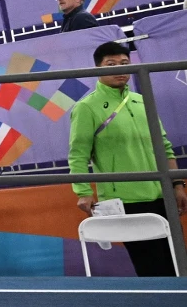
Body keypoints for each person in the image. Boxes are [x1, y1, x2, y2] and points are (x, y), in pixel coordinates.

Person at [69, 42, 186, 277]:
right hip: (126, 199)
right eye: (110, 64)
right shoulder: (86, 107)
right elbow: (78, 154)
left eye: (124, 64)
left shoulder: (141, 101)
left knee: (177, 262)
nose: (119, 70)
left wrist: (177, 185)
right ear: (97, 68)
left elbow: (163, 146)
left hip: (162, 194)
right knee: (151, 267)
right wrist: (82, 191)